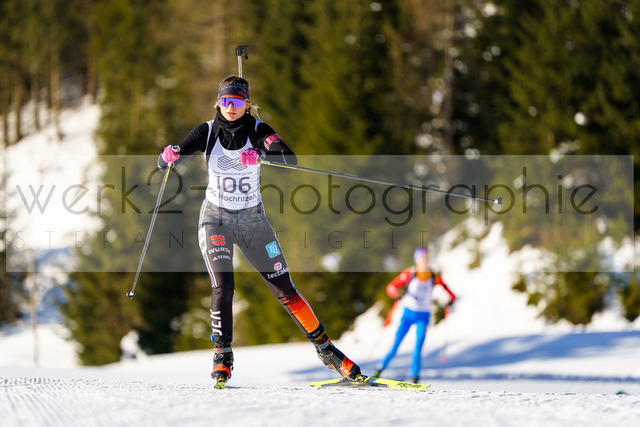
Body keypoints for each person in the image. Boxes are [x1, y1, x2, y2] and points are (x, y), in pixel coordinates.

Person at [157, 76, 361, 387]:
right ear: (218, 103)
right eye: (225, 101)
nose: (231, 107)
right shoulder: (206, 132)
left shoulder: (258, 130)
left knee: (286, 290)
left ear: (247, 104)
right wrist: (168, 156)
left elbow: (290, 159)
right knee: (223, 285)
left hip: (253, 221)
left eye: (237, 102)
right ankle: (222, 354)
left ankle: (327, 350)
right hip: (216, 220)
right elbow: (167, 161)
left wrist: (263, 154)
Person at [373, 247, 456, 383]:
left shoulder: (433, 276)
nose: (425, 260)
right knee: (395, 345)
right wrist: (396, 294)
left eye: (426, 257)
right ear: (417, 260)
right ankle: (379, 369)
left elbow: (446, 288)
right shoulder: (410, 273)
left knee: (417, 348)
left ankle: (415, 377)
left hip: (423, 316)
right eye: (422, 258)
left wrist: (452, 298)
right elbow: (391, 287)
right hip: (408, 314)